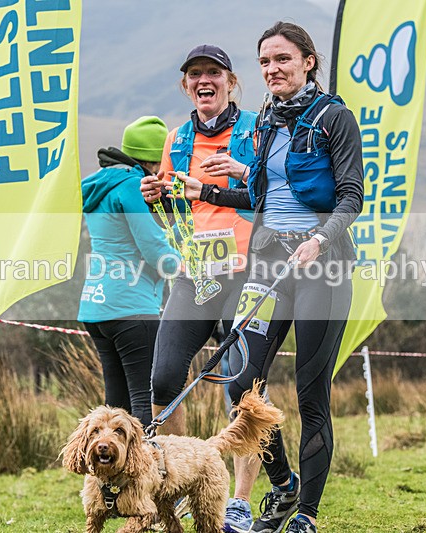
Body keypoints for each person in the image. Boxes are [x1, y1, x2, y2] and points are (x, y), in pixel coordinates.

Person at [170, 22, 364, 533]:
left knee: (309, 392)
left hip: (322, 263)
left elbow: (351, 196)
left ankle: (306, 516)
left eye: (282, 59)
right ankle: (282, 485)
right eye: (264, 62)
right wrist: (203, 189)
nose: (272, 69)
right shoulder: (268, 124)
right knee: (241, 381)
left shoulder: (334, 118)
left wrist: (319, 239)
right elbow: (262, 197)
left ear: (308, 62)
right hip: (268, 262)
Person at [139, 44, 262, 532]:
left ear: (231, 81)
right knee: (165, 380)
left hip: (247, 274)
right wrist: (156, 198)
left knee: (243, 389)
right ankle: (181, 482)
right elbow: (176, 211)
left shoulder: (257, 129)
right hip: (196, 275)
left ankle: (239, 500)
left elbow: (273, 192)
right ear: (185, 85)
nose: (203, 80)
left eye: (213, 73)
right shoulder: (178, 137)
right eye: (194, 74)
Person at [77, 116, 179, 428]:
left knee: (115, 406)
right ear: (154, 158)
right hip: (132, 306)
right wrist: (187, 269)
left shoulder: (99, 183)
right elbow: (152, 247)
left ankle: (109, 475)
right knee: (143, 401)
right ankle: (146, 472)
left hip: (96, 306)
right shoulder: (132, 186)